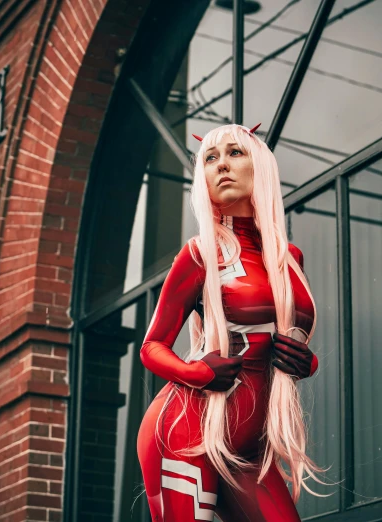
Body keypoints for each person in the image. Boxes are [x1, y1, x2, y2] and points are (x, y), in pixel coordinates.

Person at [137, 123, 324, 522]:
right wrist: (197, 372)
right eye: (210, 158)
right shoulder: (200, 253)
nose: (221, 165)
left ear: (261, 166)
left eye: (235, 153)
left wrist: (306, 362)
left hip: (251, 447)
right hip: (189, 431)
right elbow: (151, 347)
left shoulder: (289, 257)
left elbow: (287, 337)